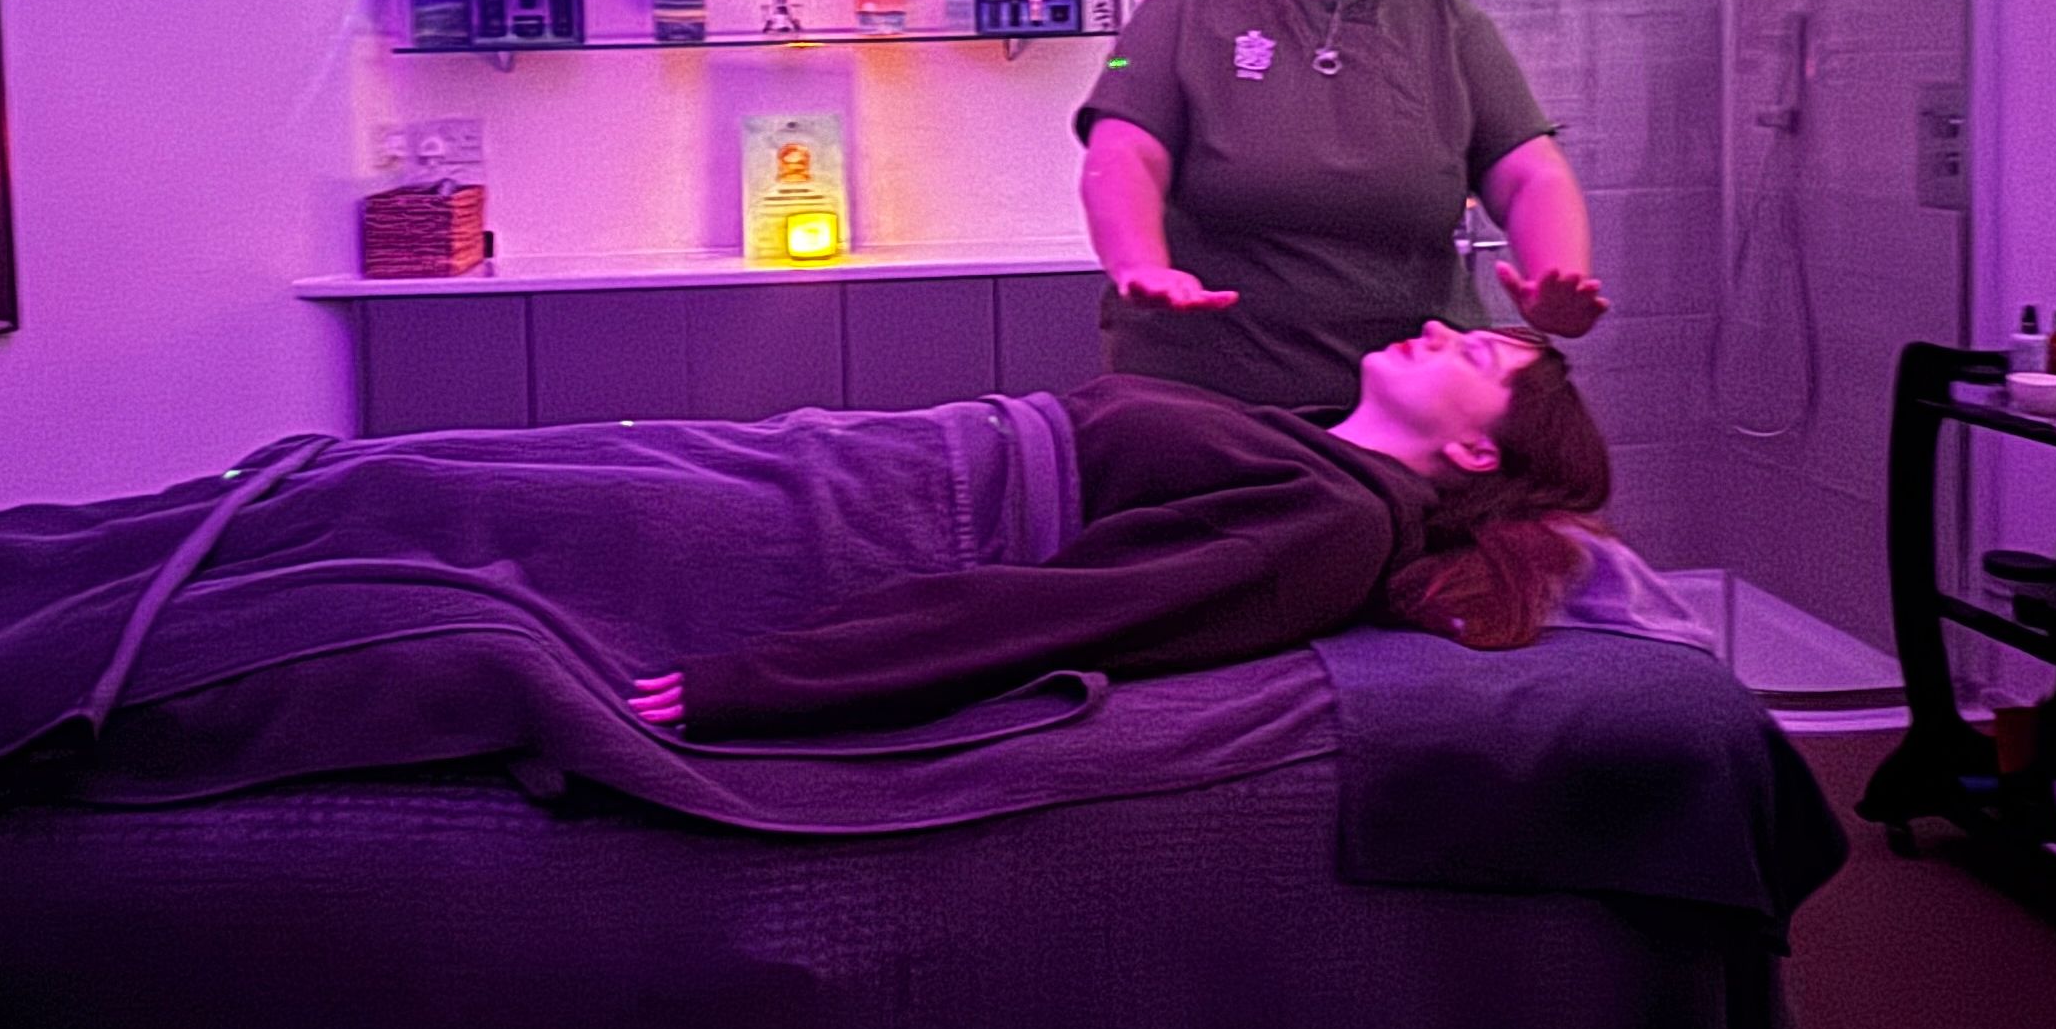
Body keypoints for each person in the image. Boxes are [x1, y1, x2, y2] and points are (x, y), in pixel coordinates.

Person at [630, 320, 1609, 738]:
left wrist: (765, 682)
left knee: (510, 504)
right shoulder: (1315, 448)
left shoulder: (1340, 522)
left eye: (1472, 352)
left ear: (1479, 452)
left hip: (883, 512)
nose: (1440, 328)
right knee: (510, 470)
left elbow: (1066, 613)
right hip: (878, 461)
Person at [1074, 0, 1606, 417]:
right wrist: (1140, 265)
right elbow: (1122, 154)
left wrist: (1557, 275)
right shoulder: (1185, 8)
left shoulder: (1448, 24)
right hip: (1212, 411)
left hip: (1413, 418)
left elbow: (1531, 176)